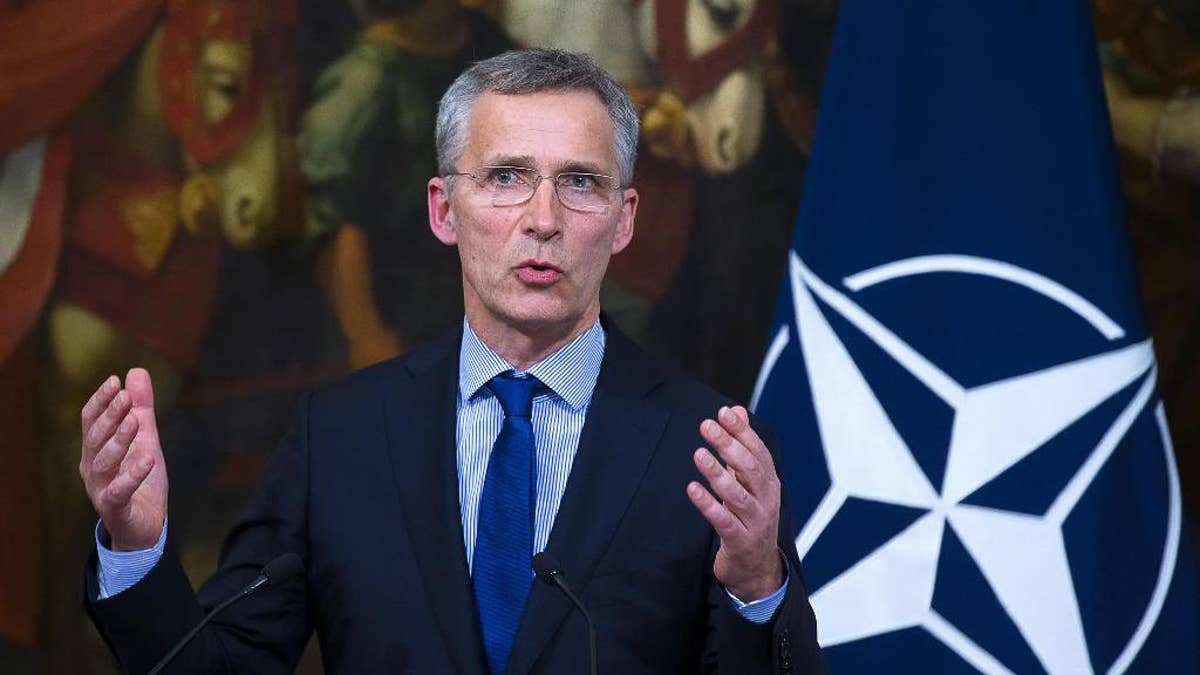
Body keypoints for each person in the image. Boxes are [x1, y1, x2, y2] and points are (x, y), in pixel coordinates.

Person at [77, 49, 826, 673]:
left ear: (624, 219)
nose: (542, 219)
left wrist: (758, 586)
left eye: (579, 182)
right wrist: (138, 550)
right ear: (443, 210)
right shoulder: (341, 439)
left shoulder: (709, 448)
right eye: (505, 177)